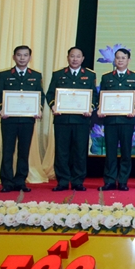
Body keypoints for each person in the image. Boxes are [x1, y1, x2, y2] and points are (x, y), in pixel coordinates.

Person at [0, 45, 45, 193]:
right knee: (8, 151)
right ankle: (7, 182)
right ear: (14, 57)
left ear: (30, 57)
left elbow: (40, 96)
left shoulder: (36, 76)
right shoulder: (4, 75)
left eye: (25, 55)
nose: (22, 58)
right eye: (19, 55)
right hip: (9, 120)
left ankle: (20, 181)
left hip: (27, 120)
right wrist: (1, 110)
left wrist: (39, 109)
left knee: (24, 151)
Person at [46, 47, 96, 192]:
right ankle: (62, 181)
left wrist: (90, 107)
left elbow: (94, 95)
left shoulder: (90, 75)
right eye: (72, 56)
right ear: (67, 57)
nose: (75, 59)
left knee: (80, 152)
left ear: (83, 58)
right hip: (62, 120)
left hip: (81, 120)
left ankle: (78, 181)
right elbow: (50, 94)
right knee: (62, 152)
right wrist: (53, 106)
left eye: (78, 56)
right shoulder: (58, 74)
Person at [98, 48, 135, 191]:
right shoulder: (106, 77)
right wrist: (101, 108)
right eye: (118, 58)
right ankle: (110, 181)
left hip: (127, 121)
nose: (120, 60)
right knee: (110, 152)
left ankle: (123, 181)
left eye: (123, 58)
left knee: (126, 152)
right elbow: (102, 96)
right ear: (114, 60)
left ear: (128, 60)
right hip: (110, 121)